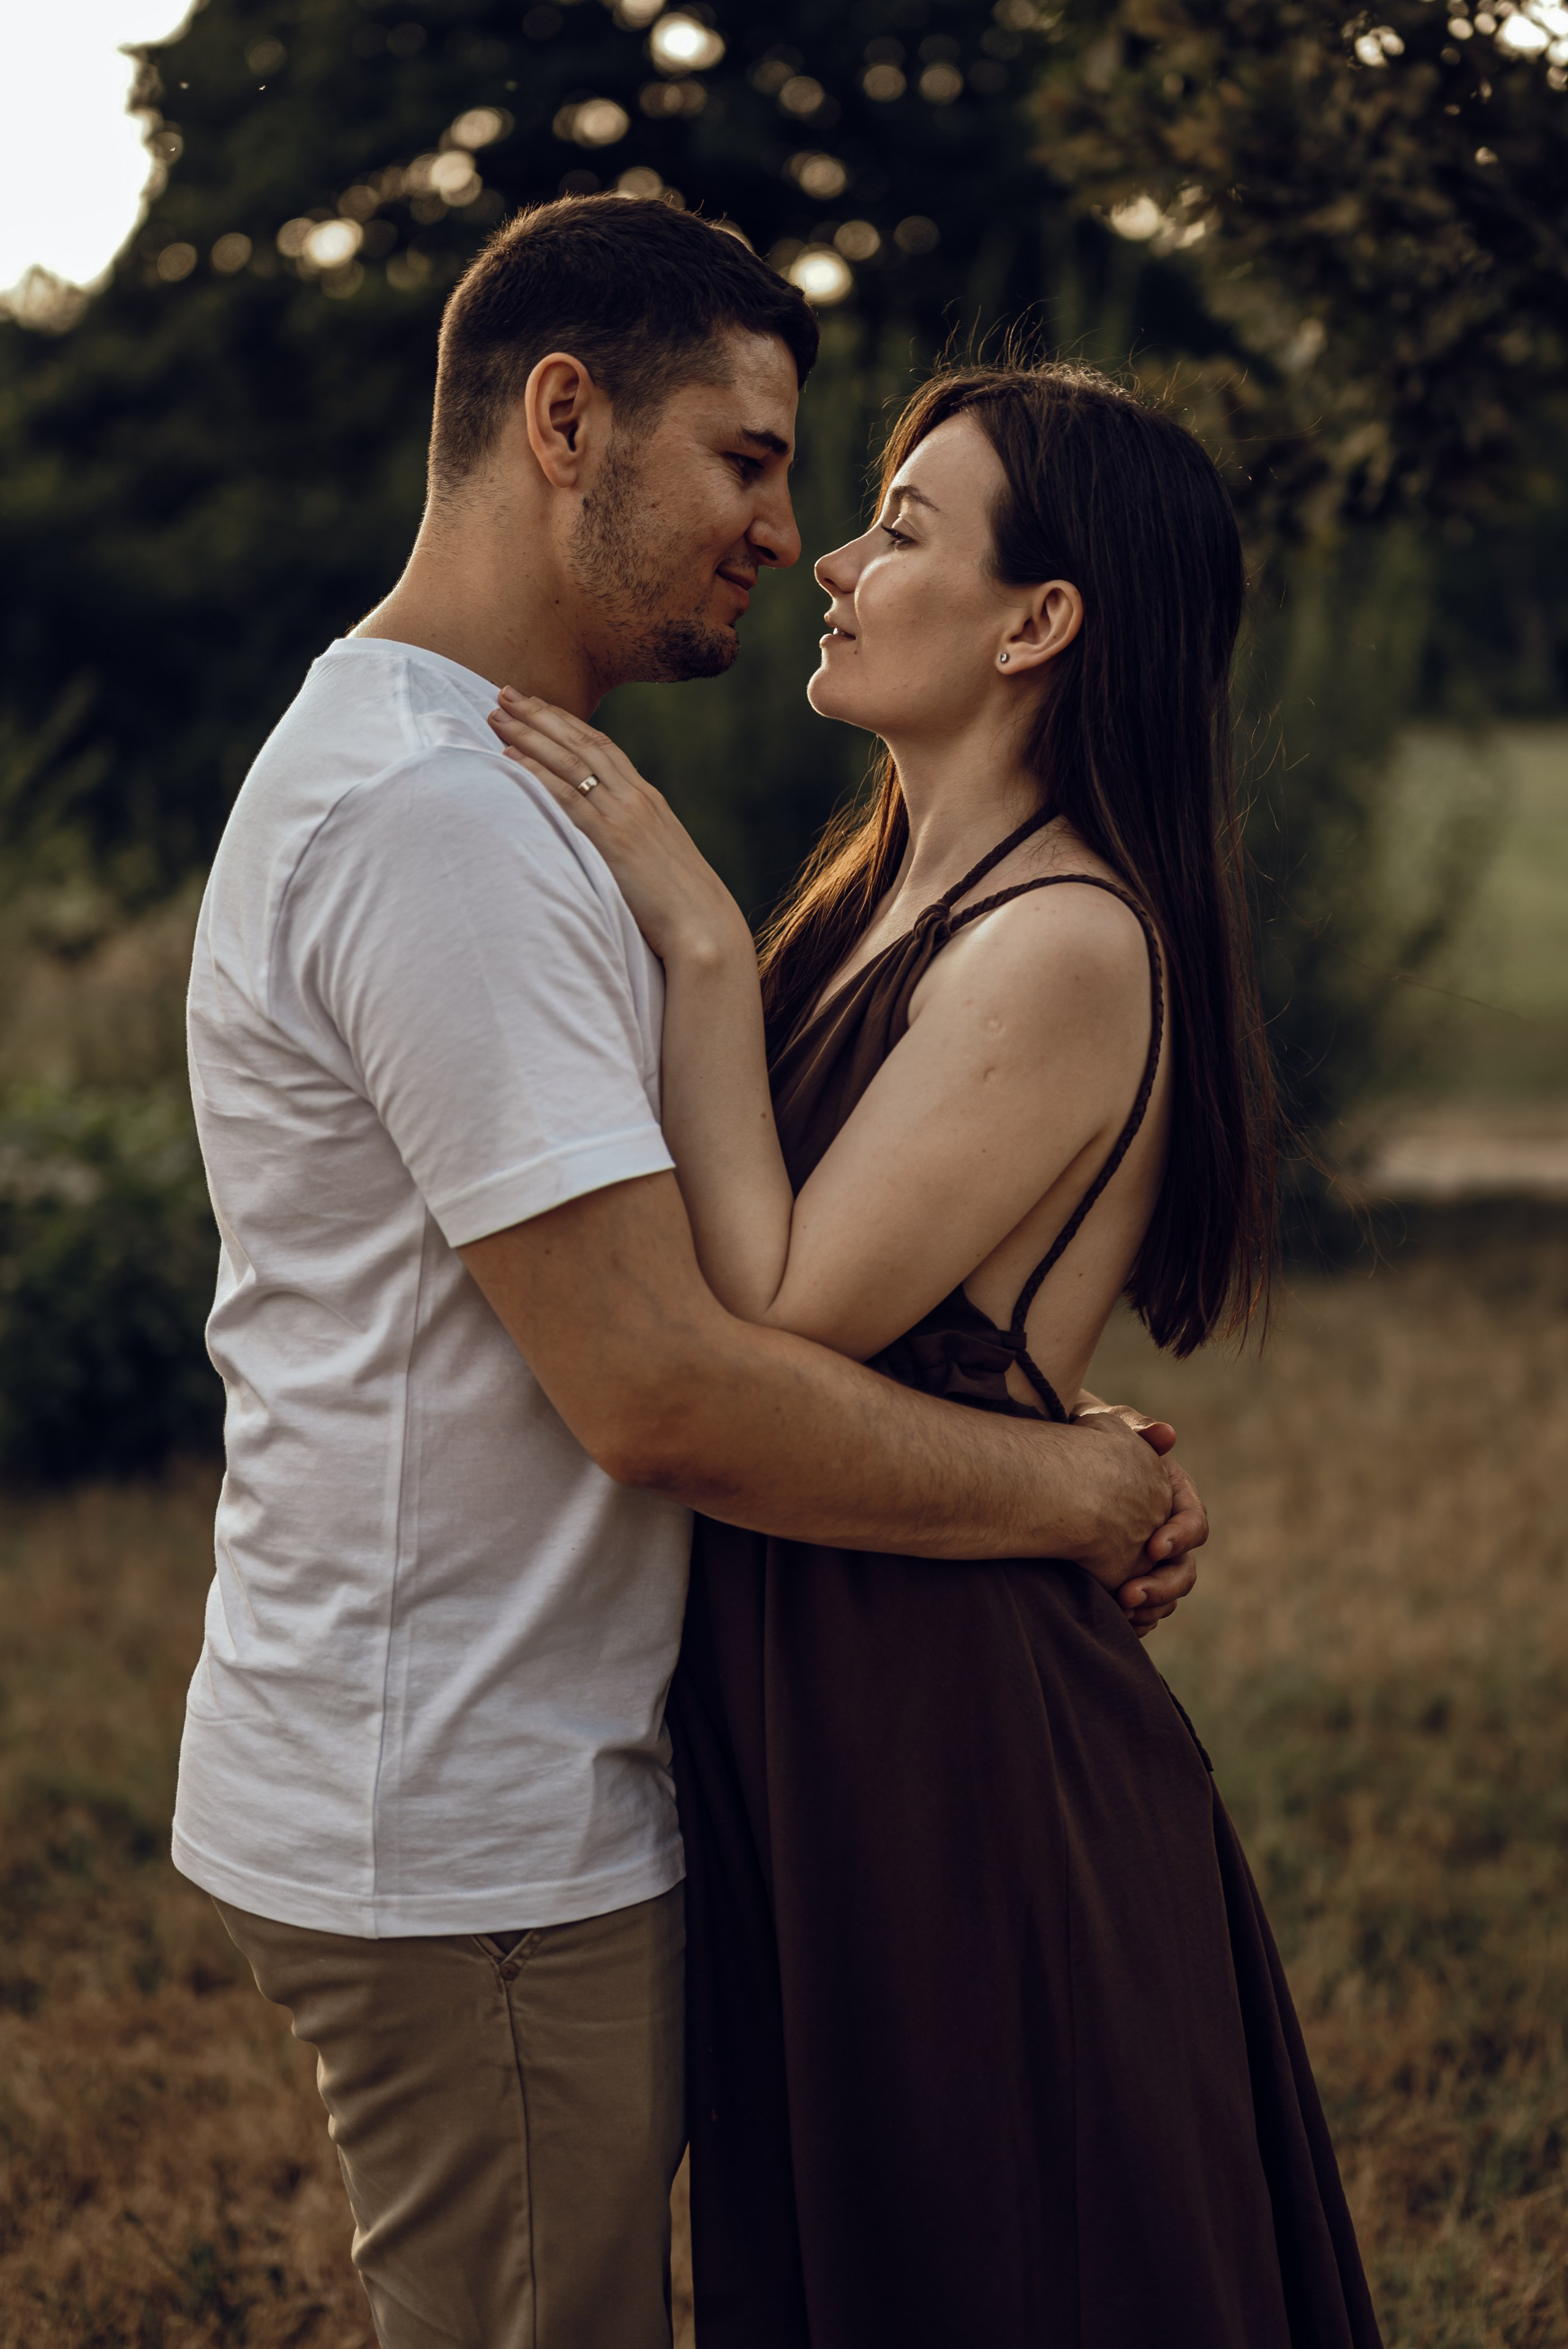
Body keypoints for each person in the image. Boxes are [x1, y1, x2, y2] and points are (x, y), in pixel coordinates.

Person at [174, 199, 1208, 2349]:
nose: (789, 533)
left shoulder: (498, 801)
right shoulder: (444, 823)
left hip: (622, 1756)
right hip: (472, 1799)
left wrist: (1025, 1400)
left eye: (853, 500)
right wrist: (1071, 1486)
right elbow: (667, 1384)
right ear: (565, 420)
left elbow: (814, 1280)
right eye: (749, 458)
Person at [487, 360, 1384, 2346]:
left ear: (1037, 621)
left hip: (952, 1729)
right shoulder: (890, 891)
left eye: (900, 527)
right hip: (830, 1681)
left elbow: (776, 1307)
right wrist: (1071, 1442)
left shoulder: (1062, 939)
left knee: (998, 2253)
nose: (831, 559)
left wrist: (695, 937)